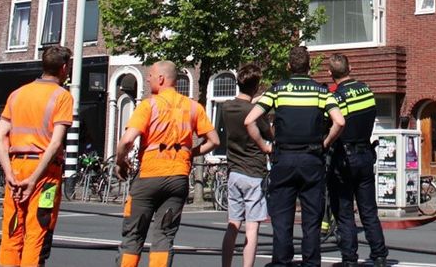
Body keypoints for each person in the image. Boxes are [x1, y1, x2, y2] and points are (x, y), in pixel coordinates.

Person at [244, 46, 344, 267]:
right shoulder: (320, 91)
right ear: (309, 67)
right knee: (312, 219)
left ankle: (282, 262)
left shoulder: (277, 90)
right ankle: (311, 262)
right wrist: (325, 143)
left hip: (284, 159)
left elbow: (249, 120)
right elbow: (340, 121)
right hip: (312, 159)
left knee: (281, 217)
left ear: (288, 66)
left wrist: (264, 146)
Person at [115, 61, 219, 267]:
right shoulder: (192, 107)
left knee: (133, 236)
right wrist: (189, 153)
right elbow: (214, 141)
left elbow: (127, 140)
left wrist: (120, 161)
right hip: (177, 179)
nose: (147, 78)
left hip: (149, 177)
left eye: (151, 75)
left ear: (161, 79)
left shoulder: (148, 105)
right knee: (164, 236)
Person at [0, 45, 74, 267]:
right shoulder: (62, 97)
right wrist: (35, 178)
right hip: (45, 175)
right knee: (38, 231)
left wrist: (9, 172)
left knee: (12, 229)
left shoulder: (17, 94)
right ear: (64, 68)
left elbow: (0, 136)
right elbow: (55, 142)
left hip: (16, 169)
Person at [326, 54, 388, 267]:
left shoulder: (335, 98)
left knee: (344, 211)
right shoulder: (367, 91)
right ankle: (379, 255)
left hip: (343, 158)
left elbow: (334, 125)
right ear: (350, 68)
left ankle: (349, 258)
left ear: (330, 74)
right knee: (369, 210)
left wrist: (325, 143)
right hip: (365, 155)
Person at [220, 63, 269, 267]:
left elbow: (243, 105)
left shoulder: (226, 107)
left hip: (234, 171)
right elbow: (268, 134)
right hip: (254, 171)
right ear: (256, 86)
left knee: (233, 224)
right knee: (252, 227)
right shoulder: (255, 113)